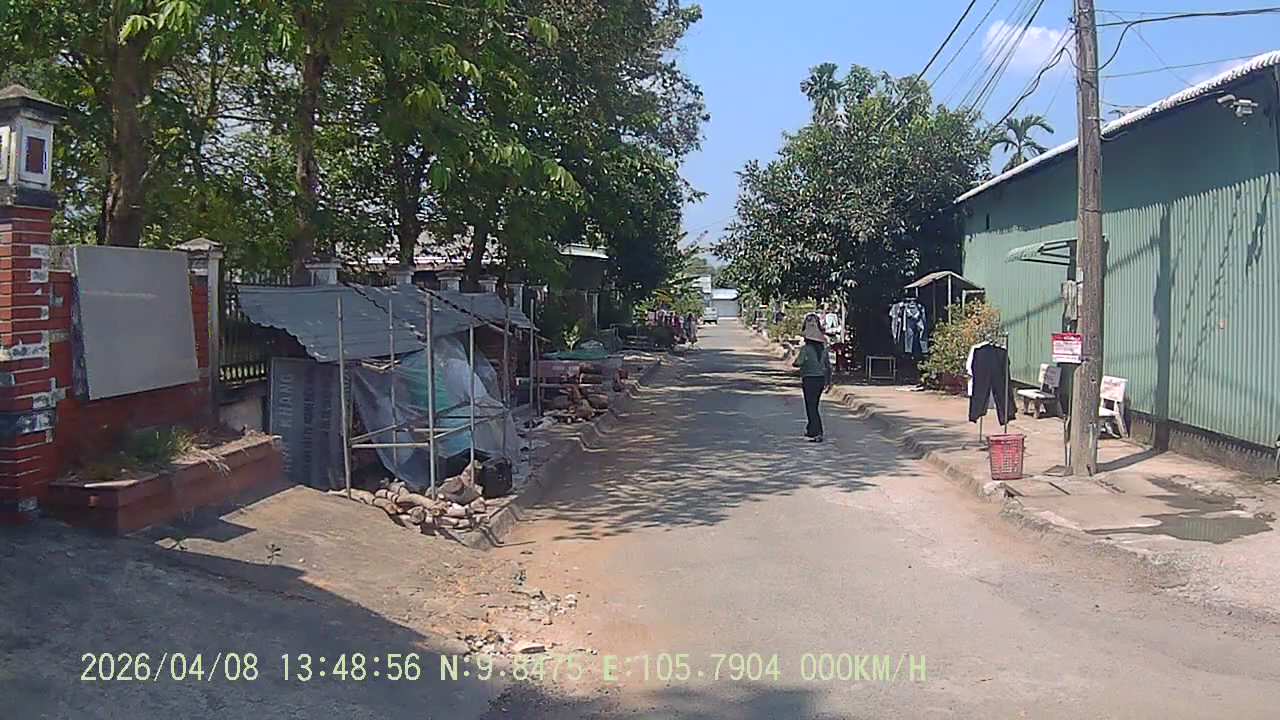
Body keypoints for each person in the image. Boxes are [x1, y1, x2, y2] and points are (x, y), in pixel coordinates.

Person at [793, 313, 833, 442]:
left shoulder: (805, 349)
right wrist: (828, 382)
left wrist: (797, 362)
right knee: (814, 404)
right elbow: (828, 366)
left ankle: (817, 432)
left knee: (811, 406)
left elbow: (798, 362)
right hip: (820, 379)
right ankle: (811, 429)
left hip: (809, 379)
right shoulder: (823, 350)